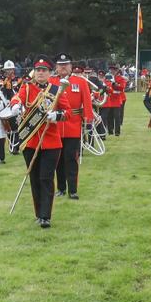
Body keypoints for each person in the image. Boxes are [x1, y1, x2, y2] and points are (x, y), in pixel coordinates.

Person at [7, 59, 65, 228]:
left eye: (44, 70)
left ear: (49, 73)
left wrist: (57, 115)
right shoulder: (27, 88)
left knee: (46, 178)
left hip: (51, 142)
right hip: (30, 140)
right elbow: (16, 98)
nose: (40, 73)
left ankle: (46, 216)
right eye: (38, 70)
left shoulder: (56, 90)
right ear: (34, 72)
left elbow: (68, 112)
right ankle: (38, 213)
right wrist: (16, 105)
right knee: (34, 178)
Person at [53, 54, 94, 200]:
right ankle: (61, 188)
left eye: (66, 64)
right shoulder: (51, 82)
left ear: (71, 66)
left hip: (73, 125)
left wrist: (88, 120)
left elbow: (87, 101)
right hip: (56, 125)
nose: (63, 67)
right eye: (60, 65)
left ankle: (72, 190)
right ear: (56, 67)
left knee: (71, 158)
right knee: (57, 159)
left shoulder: (80, 82)